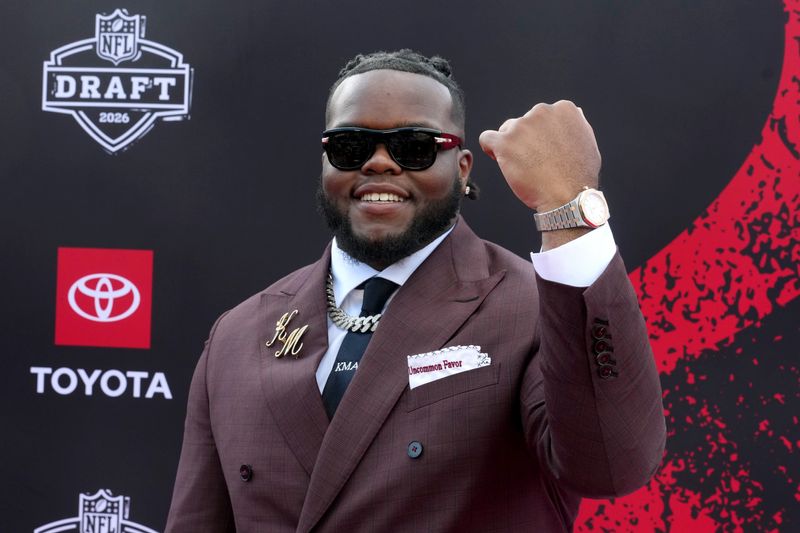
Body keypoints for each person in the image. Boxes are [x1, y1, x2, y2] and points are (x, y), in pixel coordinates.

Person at [165, 49, 665, 532]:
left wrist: (568, 207)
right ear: (325, 161)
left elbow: (612, 464)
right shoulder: (237, 336)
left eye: (415, 147)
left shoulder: (532, 310)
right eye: (351, 146)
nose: (380, 163)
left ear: (463, 168)